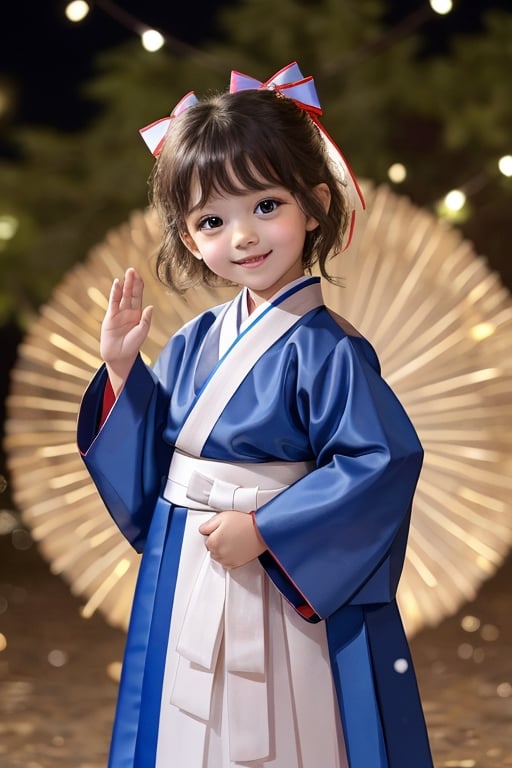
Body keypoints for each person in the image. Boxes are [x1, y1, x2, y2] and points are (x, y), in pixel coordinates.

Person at [77, 62, 434, 768]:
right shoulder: (192, 340)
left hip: (278, 572)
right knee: (189, 722)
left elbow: (381, 460)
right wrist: (123, 371)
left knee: (286, 724)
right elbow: (157, 467)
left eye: (265, 206)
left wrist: (268, 529)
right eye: (213, 220)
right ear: (187, 236)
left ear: (315, 204)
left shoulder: (330, 351)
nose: (243, 236)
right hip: (191, 558)